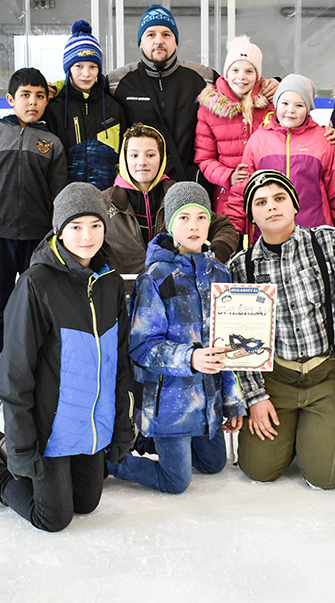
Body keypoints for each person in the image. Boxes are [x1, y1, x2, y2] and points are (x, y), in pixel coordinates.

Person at [0, 182, 134, 532]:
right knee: (53, 518)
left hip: (89, 424)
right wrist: (23, 447)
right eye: (75, 227)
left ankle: (13, 450)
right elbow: (15, 375)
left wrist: (121, 427)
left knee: (87, 503)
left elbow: (120, 363)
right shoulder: (36, 284)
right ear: (59, 231)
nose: (86, 236)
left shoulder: (110, 282)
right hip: (50, 428)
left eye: (95, 225)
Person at [228, 170, 335, 489]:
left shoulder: (325, 241)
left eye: (279, 198)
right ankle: (293, 433)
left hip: (328, 373)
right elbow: (240, 343)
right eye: (261, 202)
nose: (272, 207)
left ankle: (321, 430)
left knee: (325, 477)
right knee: (258, 469)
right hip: (277, 378)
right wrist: (254, 397)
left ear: (294, 205)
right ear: (251, 214)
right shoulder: (241, 266)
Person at [108, 183, 246, 494]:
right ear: (171, 224)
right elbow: (142, 346)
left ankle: (152, 440)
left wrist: (232, 401)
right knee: (176, 481)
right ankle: (110, 461)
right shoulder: (156, 277)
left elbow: (229, 347)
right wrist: (190, 358)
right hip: (168, 403)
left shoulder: (220, 274)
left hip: (206, 401)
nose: (194, 226)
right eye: (184, 218)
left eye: (201, 217)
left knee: (213, 465)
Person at [0, 67, 67, 405]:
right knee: (1, 307)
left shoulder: (52, 144)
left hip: (38, 242)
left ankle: (35, 373)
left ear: (47, 100)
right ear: (10, 99)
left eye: (39, 96)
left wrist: (58, 237)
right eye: (25, 95)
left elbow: (59, 195)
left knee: (38, 308)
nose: (32, 102)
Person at [226, 75, 335, 240]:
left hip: (315, 236)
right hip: (268, 236)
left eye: (299, 105)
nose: (290, 110)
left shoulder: (323, 140)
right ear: (276, 105)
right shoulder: (258, 140)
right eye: (285, 103)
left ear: (308, 109)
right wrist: (231, 231)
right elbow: (241, 191)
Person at [103, 123, 239, 276]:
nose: (142, 162)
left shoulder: (179, 194)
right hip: (124, 294)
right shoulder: (105, 201)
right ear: (123, 158)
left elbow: (224, 227)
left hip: (175, 292)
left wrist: (216, 257)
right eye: (134, 155)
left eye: (150, 155)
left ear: (161, 157)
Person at [108, 5, 221, 182]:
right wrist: (53, 90)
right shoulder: (117, 81)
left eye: (166, 34)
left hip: (190, 184)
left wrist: (276, 84)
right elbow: (82, 93)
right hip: (141, 188)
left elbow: (241, 88)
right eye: (151, 34)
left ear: (175, 41)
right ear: (140, 42)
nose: (159, 40)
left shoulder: (204, 78)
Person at [194, 35, 273, 220]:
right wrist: (228, 176)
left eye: (249, 71)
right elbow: (204, 158)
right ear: (226, 73)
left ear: (257, 75)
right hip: (227, 198)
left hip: (267, 195)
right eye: (235, 70)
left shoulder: (270, 105)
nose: (241, 77)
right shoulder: (209, 109)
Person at [44, 19, 127, 190]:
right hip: (67, 197)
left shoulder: (113, 107)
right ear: (68, 68)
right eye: (79, 66)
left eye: (93, 66)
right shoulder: (54, 108)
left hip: (108, 197)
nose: (86, 73)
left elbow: (124, 157)